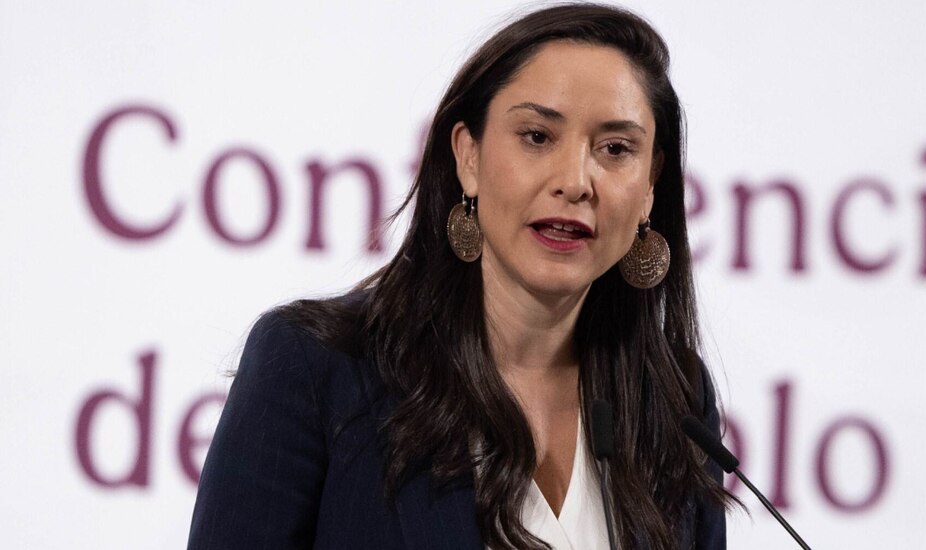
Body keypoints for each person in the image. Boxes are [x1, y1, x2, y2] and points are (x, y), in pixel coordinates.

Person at [187, 4, 735, 549]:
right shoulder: (318, 367)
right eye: (538, 137)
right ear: (467, 156)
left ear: (651, 187)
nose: (575, 182)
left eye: (616, 149)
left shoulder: (676, 400)